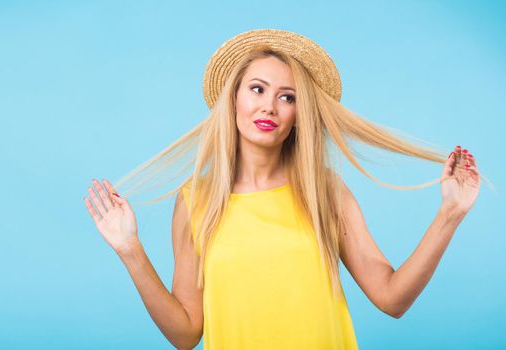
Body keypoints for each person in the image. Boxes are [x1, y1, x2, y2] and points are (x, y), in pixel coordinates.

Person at [83, 29, 485, 349]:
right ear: (234, 99)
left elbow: (392, 299)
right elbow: (186, 333)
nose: (269, 107)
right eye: (257, 89)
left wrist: (450, 213)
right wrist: (131, 251)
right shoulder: (195, 201)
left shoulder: (323, 190)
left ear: (299, 114)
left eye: (287, 97)